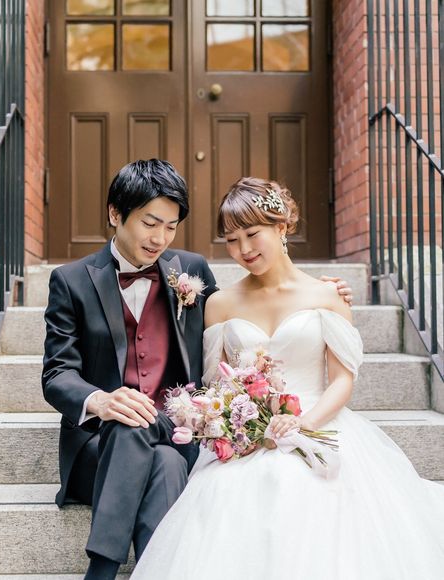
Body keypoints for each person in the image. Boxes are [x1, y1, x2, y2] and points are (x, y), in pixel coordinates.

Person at [42, 162, 353, 580]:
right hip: (99, 448)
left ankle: (106, 569)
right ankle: (107, 569)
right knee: (147, 444)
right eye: (150, 223)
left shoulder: (189, 272)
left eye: (170, 227)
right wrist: (101, 401)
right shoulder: (71, 281)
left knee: (167, 456)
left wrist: (324, 294)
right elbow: (57, 374)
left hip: (177, 432)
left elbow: (246, 312)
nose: (160, 238)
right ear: (115, 214)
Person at [130, 177, 444, 580]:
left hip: (318, 423)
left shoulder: (327, 296)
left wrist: (303, 424)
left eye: (252, 234)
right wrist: (234, 423)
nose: (243, 249)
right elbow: (218, 384)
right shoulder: (220, 304)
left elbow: (342, 381)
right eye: (231, 240)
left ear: (281, 227)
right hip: (248, 435)